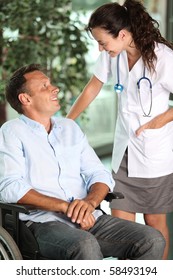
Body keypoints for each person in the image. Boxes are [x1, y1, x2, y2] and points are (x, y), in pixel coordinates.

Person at [0, 64, 165, 260]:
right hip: (42, 223)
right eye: (44, 86)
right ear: (25, 99)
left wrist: (90, 203)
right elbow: (10, 187)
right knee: (84, 245)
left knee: (151, 239)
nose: (55, 88)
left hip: (88, 216)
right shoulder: (11, 132)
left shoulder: (69, 128)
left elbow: (98, 173)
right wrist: (64, 206)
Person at [66, 0, 173, 259]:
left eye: (103, 42)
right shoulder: (112, 55)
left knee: (154, 224)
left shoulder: (163, 57)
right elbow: (93, 87)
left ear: (123, 35)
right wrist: (67, 121)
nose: (100, 48)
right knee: (124, 229)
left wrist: (160, 120)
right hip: (123, 153)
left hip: (153, 155)